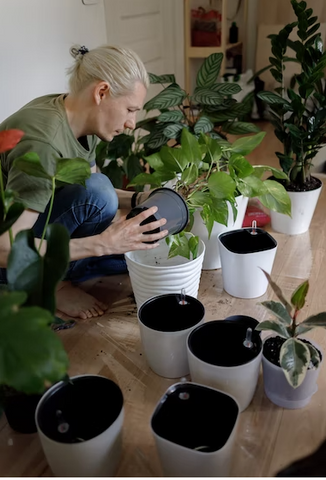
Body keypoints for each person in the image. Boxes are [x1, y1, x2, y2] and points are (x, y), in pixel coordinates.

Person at [0, 44, 168, 320]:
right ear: (101, 92)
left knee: (135, 251)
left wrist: (139, 200)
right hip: (8, 257)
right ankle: (52, 284)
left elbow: (89, 184)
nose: (131, 123)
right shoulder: (42, 144)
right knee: (112, 238)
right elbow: (6, 248)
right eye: (129, 109)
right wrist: (103, 244)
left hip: (33, 230)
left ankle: (72, 266)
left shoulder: (77, 119)